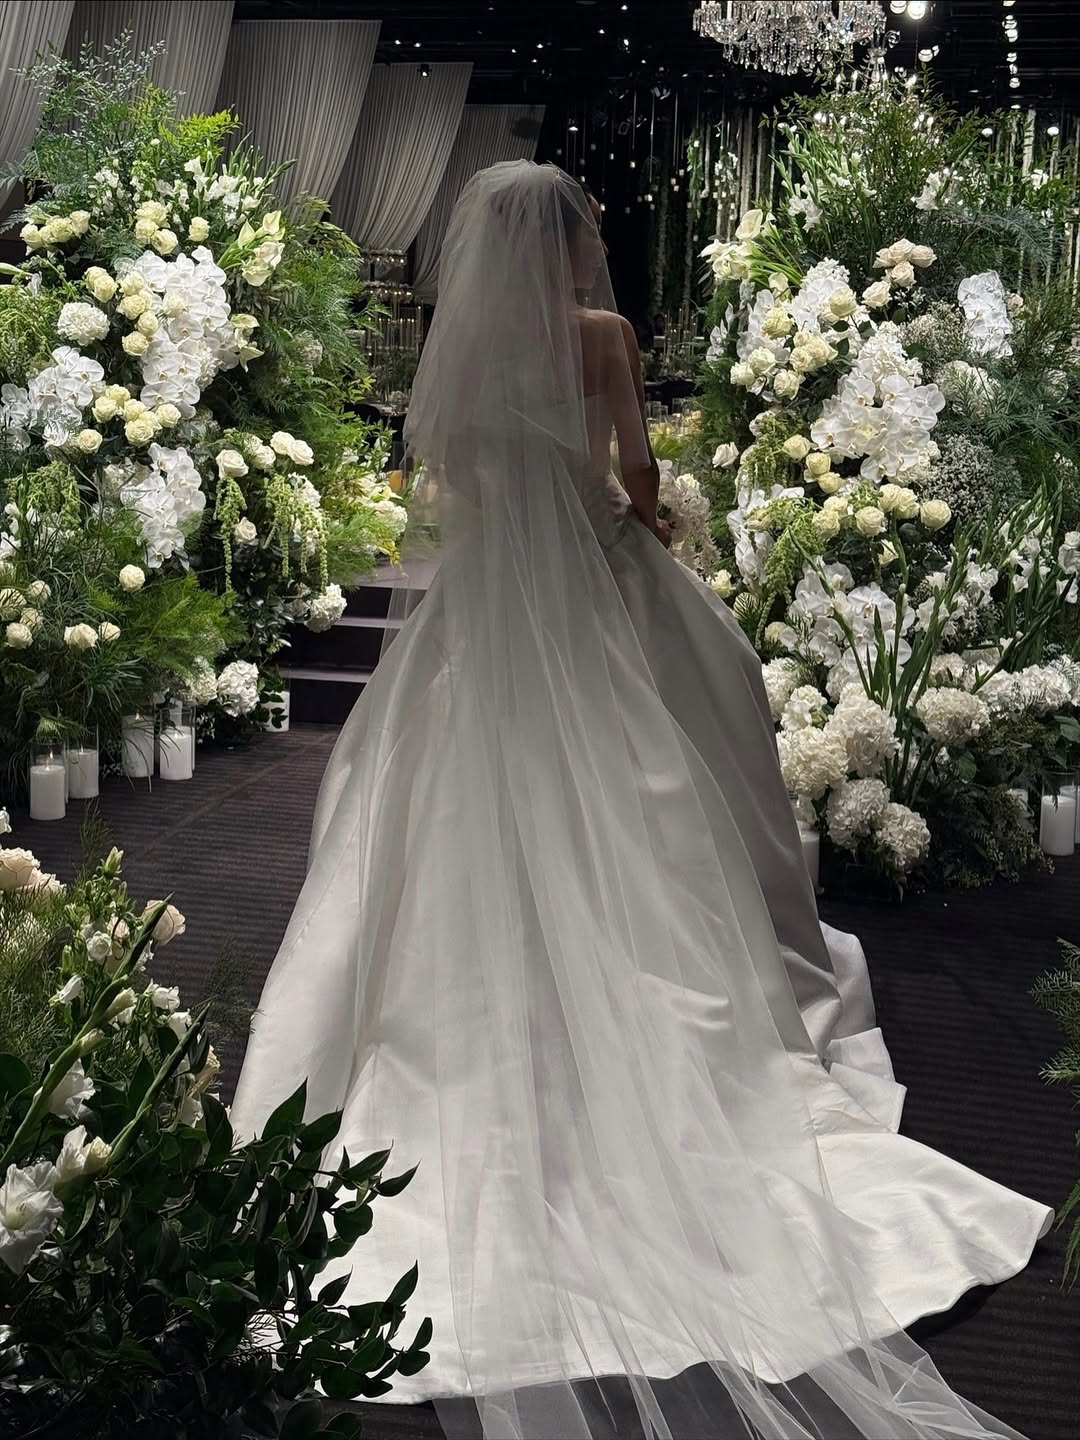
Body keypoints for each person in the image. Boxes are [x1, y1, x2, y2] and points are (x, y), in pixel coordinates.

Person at [232, 162, 1050, 1440]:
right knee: (656, 791)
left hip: (486, 620)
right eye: (589, 228)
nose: (599, 240)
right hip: (596, 596)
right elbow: (639, 476)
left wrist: (531, 528)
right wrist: (636, 526)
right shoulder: (606, 337)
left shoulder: (464, 351)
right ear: (560, 243)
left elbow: (451, 490)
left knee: (432, 814)